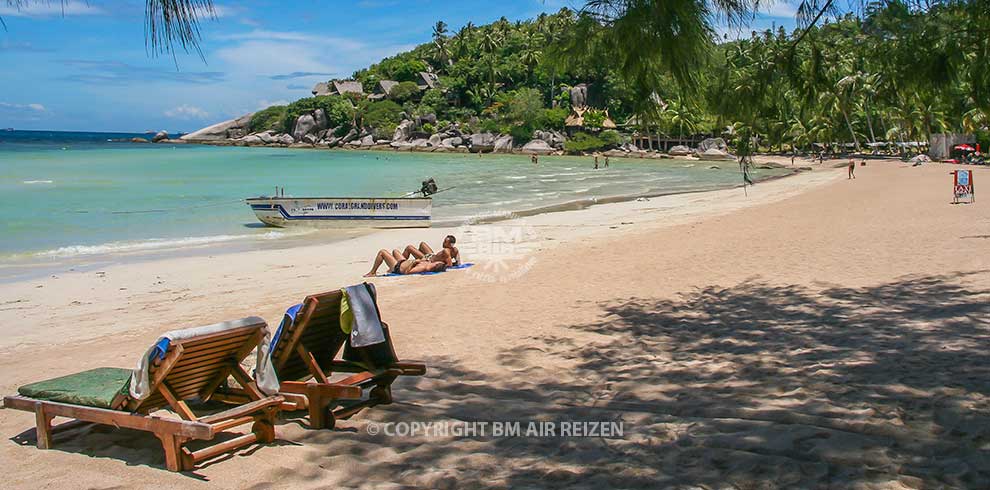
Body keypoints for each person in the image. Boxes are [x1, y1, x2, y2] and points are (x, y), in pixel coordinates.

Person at [365, 249, 446, 277]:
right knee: (395, 251)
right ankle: (390, 268)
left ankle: (372, 272)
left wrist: (414, 263)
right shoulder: (429, 264)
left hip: (398, 267)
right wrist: (423, 259)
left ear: (436, 264)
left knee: (382, 252)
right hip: (403, 261)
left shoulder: (424, 268)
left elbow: (407, 272)